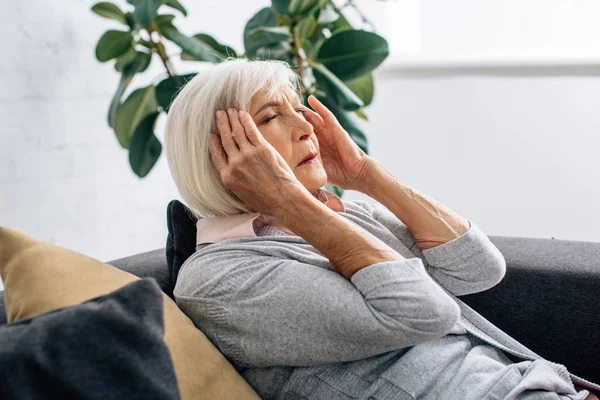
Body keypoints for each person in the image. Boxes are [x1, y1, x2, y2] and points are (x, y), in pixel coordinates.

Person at [164, 58, 599, 400]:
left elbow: (478, 269)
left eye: (300, 109)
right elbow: (425, 312)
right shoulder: (219, 279)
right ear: (218, 155)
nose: (306, 127)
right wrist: (287, 201)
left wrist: (364, 173)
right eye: (271, 117)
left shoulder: (344, 215)